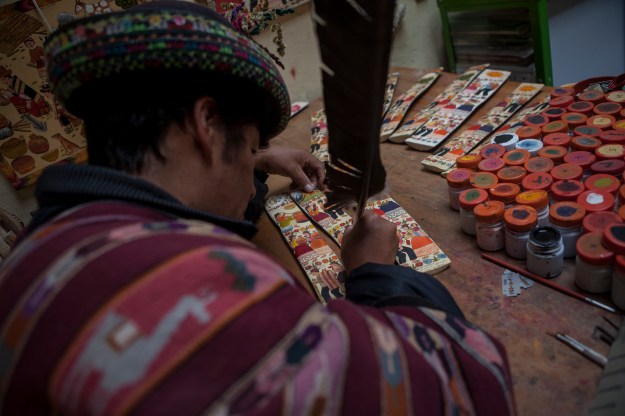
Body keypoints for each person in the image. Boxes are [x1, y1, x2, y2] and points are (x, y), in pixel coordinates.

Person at [0, 1, 515, 414]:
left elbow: (213, 200)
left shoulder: (39, 246)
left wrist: (259, 157)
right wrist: (378, 275)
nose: (251, 179)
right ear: (206, 126)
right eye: (248, 145)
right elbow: (471, 384)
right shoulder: (189, 294)